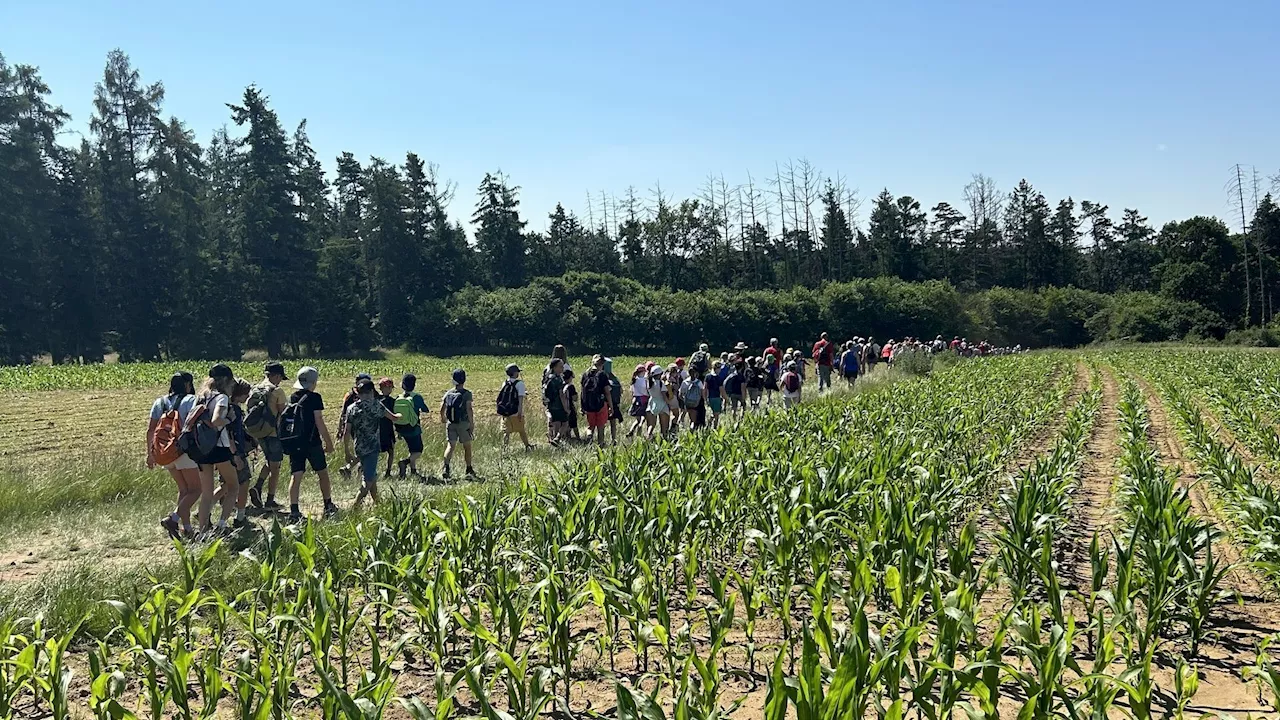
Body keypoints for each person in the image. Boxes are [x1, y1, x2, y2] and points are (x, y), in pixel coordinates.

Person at [148, 371, 199, 539]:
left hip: (165, 453)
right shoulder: (190, 400)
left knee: (184, 490)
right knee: (195, 490)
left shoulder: (159, 402)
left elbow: (151, 430)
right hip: (183, 451)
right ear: (187, 384)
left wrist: (151, 453)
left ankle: (187, 528)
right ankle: (173, 519)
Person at [283, 366, 337, 524]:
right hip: (312, 441)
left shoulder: (292, 397)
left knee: (296, 475)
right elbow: (318, 420)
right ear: (313, 382)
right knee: (322, 473)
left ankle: (294, 510)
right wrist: (328, 442)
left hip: (295, 442)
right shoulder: (315, 398)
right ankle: (328, 505)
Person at [193, 364, 241, 535]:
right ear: (227, 381)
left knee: (206, 494)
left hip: (201, 448)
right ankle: (221, 525)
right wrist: (229, 419)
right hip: (219, 448)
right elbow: (216, 420)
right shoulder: (221, 398)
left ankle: (203, 530)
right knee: (233, 485)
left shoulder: (200, 397)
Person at [346, 378, 402, 508]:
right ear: (372, 391)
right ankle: (355, 505)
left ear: (358, 393)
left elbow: (346, 432)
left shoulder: (351, 408)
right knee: (368, 480)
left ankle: (377, 502)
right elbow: (393, 417)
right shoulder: (376, 405)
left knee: (370, 473)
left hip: (358, 446)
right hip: (372, 447)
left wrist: (346, 451)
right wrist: (401, 414)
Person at [248, 362, 287, 511]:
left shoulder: (255, 389)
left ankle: (258, 488)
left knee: (270, 461)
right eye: (280, 377)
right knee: (275, 466)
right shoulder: (277, 391)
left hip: (258, 431)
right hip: (273, 433)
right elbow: (282, 413)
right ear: (276, 376)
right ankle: (270, 500)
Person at [439, 368, 476, 479]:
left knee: (450, 446)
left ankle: (446, 467)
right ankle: (468, 469)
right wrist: (471, 423)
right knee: (467, 447)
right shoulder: (467, 394)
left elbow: (442, 407)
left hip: (451, 423)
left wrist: (443, 418)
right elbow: (469, 409)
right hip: (463, 423)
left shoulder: (449, 393)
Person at [393, 374, 431, 479]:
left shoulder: (398, 397)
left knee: (411, 449)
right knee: (418, 450)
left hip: (401, 428)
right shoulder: (416, 397)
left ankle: (413, 471)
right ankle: (404, 462)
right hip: (413, 428)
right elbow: (425, 409)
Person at [336, 373, 372, 479]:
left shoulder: (350, 395)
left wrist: (340, 428)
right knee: (367, 450)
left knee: (363, 450)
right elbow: (344, 412)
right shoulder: (368, 394)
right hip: (365, 426)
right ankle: (351, 469)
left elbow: (343, 413)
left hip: (353, 427)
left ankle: (353, 470)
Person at [497, 364, 534, 450]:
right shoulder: (520, 383)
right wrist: (520, 412)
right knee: (521, 430)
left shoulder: (505, 383)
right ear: (515, 373)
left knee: (506, 431)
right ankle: (527, 446)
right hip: (516, 411)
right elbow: (520, 398)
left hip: (506, 411)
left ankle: (504, 448)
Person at [580, 355, 614, 448]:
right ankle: (600, 445)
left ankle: (589, 436)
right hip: (600, 404)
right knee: (600, 426)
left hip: (588, 405)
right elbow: (607, 392)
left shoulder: (585, 374)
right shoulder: (602, 374)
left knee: (590, 426)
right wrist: (611, 406)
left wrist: (582, 406)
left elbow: (582, 391)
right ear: (602, 364)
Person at [543, 358, 571, 445]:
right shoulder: (558, 379)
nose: (562, 368)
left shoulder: (548, 377)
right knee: (565, 423)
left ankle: (554, 440)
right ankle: (557, 438)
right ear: (554, 367)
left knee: (556, 424)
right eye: (560, 367)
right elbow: (561, 394)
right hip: (559, 405)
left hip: (551, 404)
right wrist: (566, 408)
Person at [377, 378, 398, 475]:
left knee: (389, 450)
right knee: (390, 451)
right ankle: (388, 471)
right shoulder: (391, 401)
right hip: (386, 429)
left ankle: (388, 471)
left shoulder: (375, 399)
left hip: (379, 429)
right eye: (390, 388)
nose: (391, 390)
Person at [646, 364, 673, 439]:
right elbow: (664, 396)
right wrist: (669, 403)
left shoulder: (649, 383)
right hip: (662, 404)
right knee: (664, 428)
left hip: (652, 403)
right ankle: (664, 441)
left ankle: (648, 438)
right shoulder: (661, 384)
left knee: (651, 425)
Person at [626, 363, 650, 438]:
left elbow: (632, 392)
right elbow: (647, 391)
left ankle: (631, 430)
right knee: (644, 418)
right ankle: (639, 433)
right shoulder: (645, 380)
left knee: (637, 419)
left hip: (636, 400)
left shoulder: (634, 381)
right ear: (643, 372)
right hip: (644, 400)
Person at [604, 358, 623, 446]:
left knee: (602, 423)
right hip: (614, 403)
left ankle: (602, 439)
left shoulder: (600, 376)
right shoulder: (614, 378)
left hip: (604, 403)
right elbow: (621, 390)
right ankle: (613, 439)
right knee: (613, 423)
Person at [704, 360, 724, 428]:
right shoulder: (718, 378)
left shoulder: (707, 376)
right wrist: (726, 398)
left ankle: (708, 425)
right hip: (716, 398)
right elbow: (721, 390)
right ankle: (715, 427)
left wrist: (705, 398)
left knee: (713, 413)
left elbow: (705, 388)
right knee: (717, 415)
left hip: (710, 398)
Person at [564, 368, 581, 441]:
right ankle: (578, 438)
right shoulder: (570, 386)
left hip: (562, 407)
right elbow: (575, 398)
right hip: (570, 407)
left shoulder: (560, 385)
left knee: (565, 423)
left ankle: (567, 438)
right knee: (574, 424)